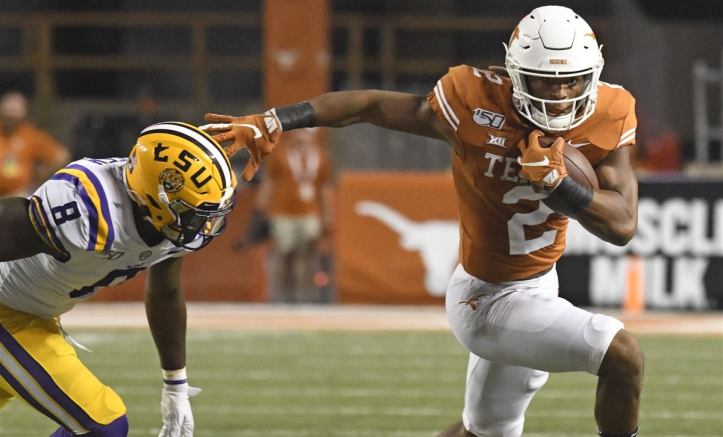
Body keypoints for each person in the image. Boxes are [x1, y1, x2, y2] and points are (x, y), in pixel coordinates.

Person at [203, 5, 643, 436]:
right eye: (546, 81)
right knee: (621, 354)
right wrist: (277, 119)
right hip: (486, 298)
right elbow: (370, 106)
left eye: (572, 81)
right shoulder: (473, 102)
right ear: (516, 74)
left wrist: (559, 185)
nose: (561, 95)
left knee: (486, 432)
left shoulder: (610, 111)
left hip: (541, 284)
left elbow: (622, 225)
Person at [0, 121, 237, 437]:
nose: (202, 226)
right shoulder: (87, 206)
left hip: (34, 316)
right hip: (7, 313)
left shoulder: (168, 224)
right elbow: (10, 224)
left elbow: (165, 291)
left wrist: (176, 384)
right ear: (158, 198)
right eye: (192, 213)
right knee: (104, 425)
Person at [240, 128, 333, 303]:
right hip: (282, 212)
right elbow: (269, 182)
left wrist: (327, 214)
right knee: (283, 252)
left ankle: (305, 294)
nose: (303, 137)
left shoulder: (320, 156)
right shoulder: (281, 154)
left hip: (309, 211)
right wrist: (259, 209)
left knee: (307, 252)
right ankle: (279, 294)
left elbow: (324, 186)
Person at [0, 91, 69, 197]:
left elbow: (61, 156)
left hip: (20, 195)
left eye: (14, 113)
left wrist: (39, 176)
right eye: (7, 112)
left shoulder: (31, 135)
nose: (10, 117)